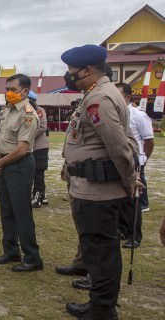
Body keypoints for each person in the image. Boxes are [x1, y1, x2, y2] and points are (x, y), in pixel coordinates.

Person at [60, 45, 142, 319]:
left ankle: (102, 310)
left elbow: (119, 147)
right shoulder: (98, 94)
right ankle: (99, 303)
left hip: (98, 191)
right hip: (91, 187)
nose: (68, 76)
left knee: (101, 253)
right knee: (99, 251)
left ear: (87, 70)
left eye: (71, 71)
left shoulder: (100, 99)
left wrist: (130, 180)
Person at [0, 73, 43, 272]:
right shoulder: (8, 110)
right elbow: (1, 138)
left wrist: (0, 162)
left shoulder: (28, 113)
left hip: (19, 164)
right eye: (7, 89)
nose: (8, 93)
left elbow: (22, 149)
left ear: (25, 91)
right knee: (7, 210)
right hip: (4, 162)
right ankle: (11, 251)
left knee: (22, 212)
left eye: (13, 89)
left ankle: (32, 256)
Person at [116, 82, 153, 249]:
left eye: (119, 95)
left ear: (128, 97)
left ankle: (134, 235)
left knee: (133, 200)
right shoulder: (114, 113)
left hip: (134, 160)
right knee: (119, 198)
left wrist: (143, 159)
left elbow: (149, 141)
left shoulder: (138, 115)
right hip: (119, 161)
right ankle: (121, 229)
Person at [28, 90, 49, 208]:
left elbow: (42, 127)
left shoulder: (39, 111)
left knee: (38, 173)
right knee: (36, 173)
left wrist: (27, 136)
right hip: (31, 147)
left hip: (39, 147)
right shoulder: (27, 111)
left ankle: (37, 199)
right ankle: (42, 196)